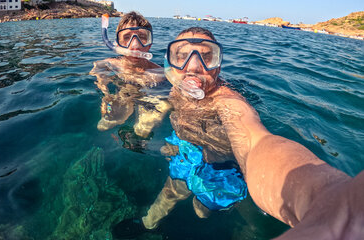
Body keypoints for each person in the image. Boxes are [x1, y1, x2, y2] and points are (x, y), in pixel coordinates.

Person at [114, 27, 363, 239]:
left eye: (206, 58)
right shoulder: (174, 83)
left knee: (202, 210)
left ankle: (212, 205)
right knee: (171, 188)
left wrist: (323, 198)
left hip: (223, 164)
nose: (193, 67)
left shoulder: (225, 99)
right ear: (171, 63)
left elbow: (256, 140)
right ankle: (147, 224)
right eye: (182, 57)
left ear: (217, 67)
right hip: (187, 146)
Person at [90, 11, 170, 140]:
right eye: (127, 37)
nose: (135, 45)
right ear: (117, 43)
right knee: (104, 126)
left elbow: (169, 95)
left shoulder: (160, 74)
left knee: (142, 130)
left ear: (150, 43)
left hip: (148, 97)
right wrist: (105, 95)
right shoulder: (110, 64)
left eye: (142, 37)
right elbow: (98, 70)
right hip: (122, 94)